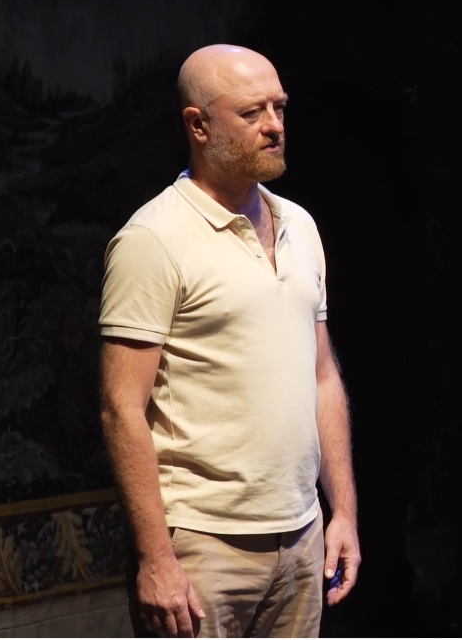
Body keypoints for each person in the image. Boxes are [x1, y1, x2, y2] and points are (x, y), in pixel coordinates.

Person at [98, 44, 359, 638]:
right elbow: (120, 408)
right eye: (251, 113)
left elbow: (322, 375)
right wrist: (156, 558)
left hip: (301, 537)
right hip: (202, 546)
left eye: (279, 107)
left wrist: (341, 510)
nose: (275, 125)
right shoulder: (153, 239)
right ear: (198, 125)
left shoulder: (300, 226)